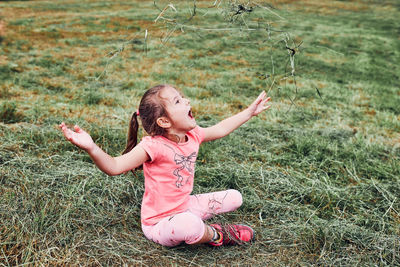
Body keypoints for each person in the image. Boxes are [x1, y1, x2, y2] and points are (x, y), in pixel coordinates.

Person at [59, 84, 271, 247]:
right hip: (159, 223)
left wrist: (249, 112)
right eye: (178, 101)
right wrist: (91, 148)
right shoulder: (153, 146)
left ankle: (195, 222)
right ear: (164, 122)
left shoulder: (193, 135)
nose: (187, 101)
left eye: (182, 97)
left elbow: (221, 128)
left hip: (184, 205)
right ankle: (217, 234)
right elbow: (114, 166)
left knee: (236, 197)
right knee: (190, 226)